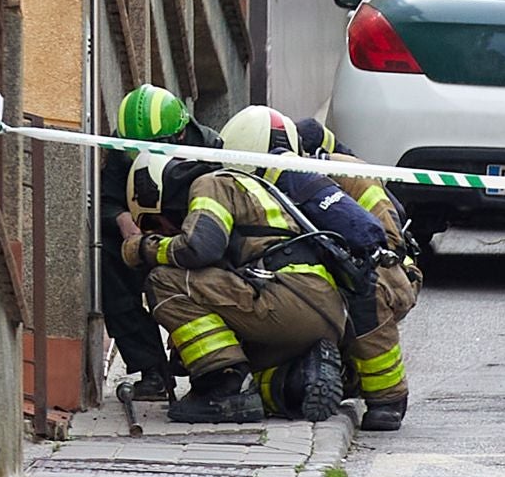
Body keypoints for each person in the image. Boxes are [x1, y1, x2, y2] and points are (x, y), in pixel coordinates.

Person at [123, 132, 347, 424]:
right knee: (260, 380)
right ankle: (303, 376)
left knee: (164, 280)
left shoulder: (211, 184)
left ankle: (225, 388)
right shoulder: (248, 187)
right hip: (319, 309)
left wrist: (143, 247)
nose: (164, 230)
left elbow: (199, 247)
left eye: (155, 222)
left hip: (287, 298)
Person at [100, 84, 224, 400]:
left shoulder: (210, 150)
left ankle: (210, 369)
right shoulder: (122, 148)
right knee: (111, 269)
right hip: (142, 237)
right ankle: (152, 371)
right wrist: (121, 219)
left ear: (179, 137)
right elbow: (106, 197)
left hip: (196, 238)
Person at [295, 118, 419, 431]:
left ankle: (388, 398)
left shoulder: (350, 174)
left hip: (389, 270)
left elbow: (387, 242)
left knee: (364, 283)